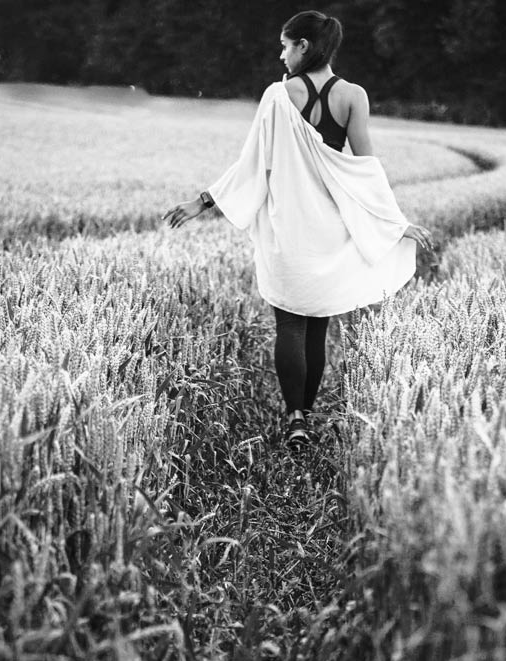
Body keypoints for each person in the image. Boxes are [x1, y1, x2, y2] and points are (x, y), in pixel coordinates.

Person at [163, 9, 434, 448]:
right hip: (330, 228)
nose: (282, 55)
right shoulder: (353, 96)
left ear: (304, 46)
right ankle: (305, 416)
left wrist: (203, 201)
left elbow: (253, 163)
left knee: (289, 325)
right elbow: (365, 170)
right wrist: (394, 223)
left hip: (288, 227)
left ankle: (294, 420)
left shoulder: (278, 95)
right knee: (317, 326)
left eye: (286, 46)